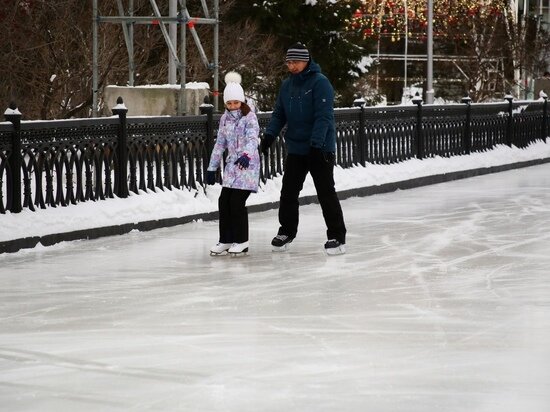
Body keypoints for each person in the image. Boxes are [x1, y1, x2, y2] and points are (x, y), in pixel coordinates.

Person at [261, 42, 347, 255]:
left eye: (296, 62)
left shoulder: (320, 83)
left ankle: (337, 235)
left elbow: (323, 116)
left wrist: (316, 145)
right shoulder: (286, 86)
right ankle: (287, 231)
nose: (292, 66)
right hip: (297, 148)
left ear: (306, 60)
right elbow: (279, 114)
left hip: (320, 148)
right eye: (289, 62)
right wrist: (269, 136)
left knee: (326, 193)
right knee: (288, 192)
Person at [206, 72, 260, 255]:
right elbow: (220, 143)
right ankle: (226, 240)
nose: (233, 106)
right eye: (229, 103)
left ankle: (242, 240)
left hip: (247, 166)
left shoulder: (249, 117)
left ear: (242, 101)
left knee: (236, 202)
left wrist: (246, 155)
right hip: (231, 167)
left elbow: (253, 139)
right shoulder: (225, 119)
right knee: (224, 201)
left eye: (236, 102)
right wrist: (212, 167)